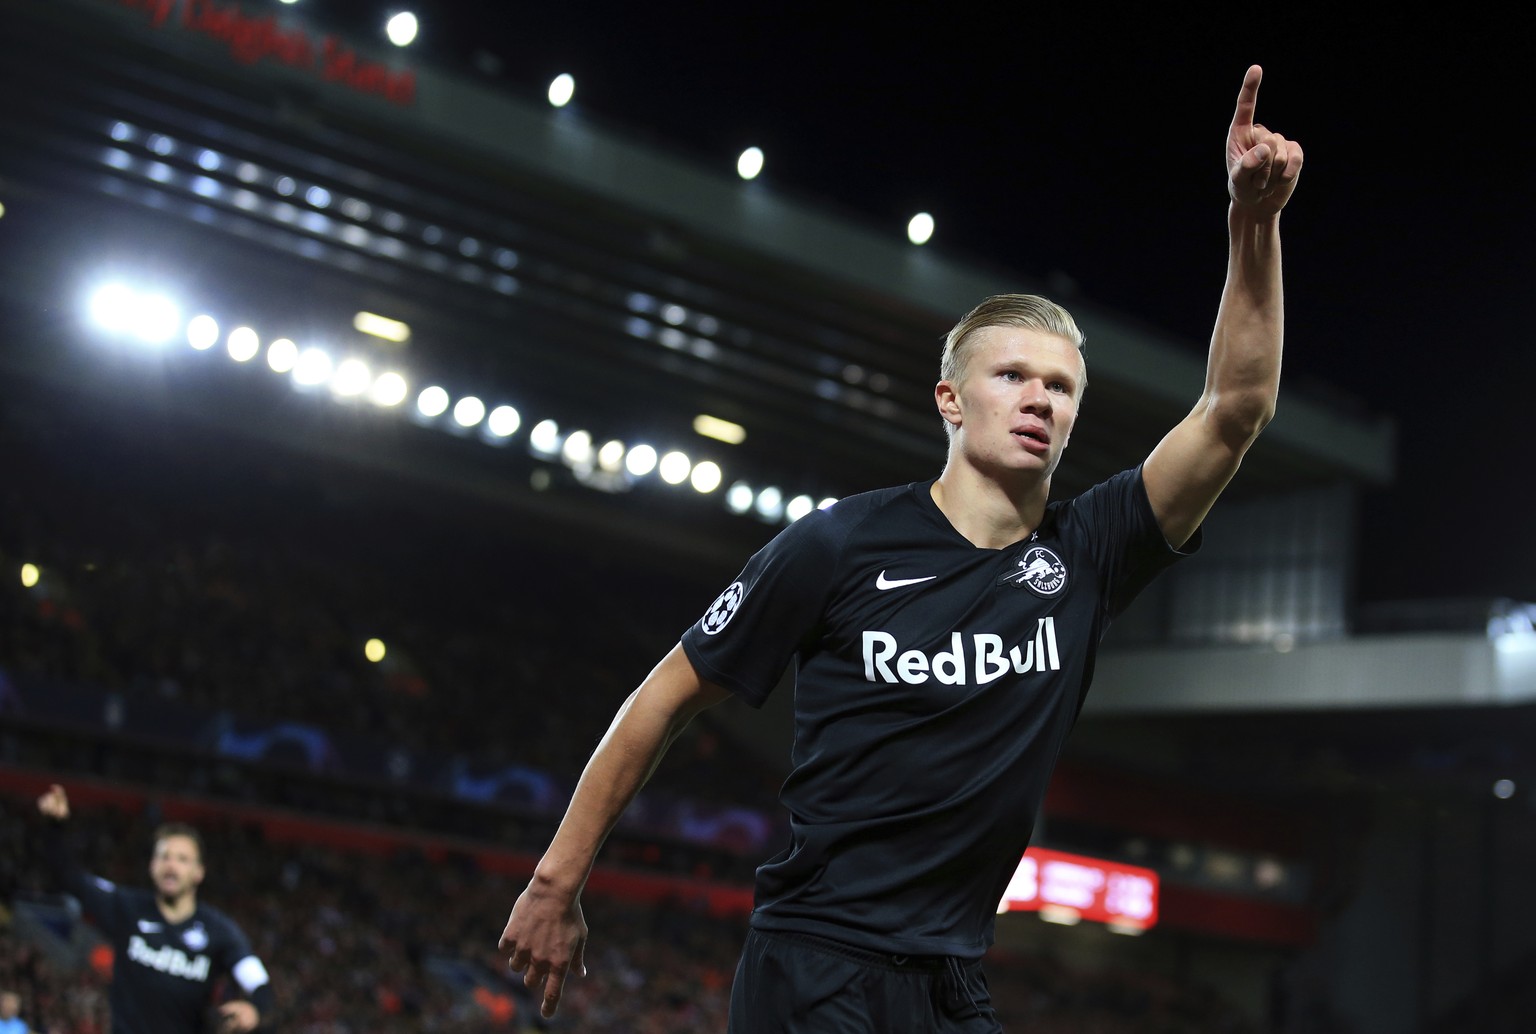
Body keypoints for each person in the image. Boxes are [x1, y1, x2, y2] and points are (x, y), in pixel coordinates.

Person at [498, 64, 1302, 1032]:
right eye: (1012, 374)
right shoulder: (840, 543)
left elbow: (1235, 409)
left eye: (1061, 385)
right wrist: (556, 879)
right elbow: (669, 691)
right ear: (951, 400)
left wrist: (1252, 225)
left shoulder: (1088, 553)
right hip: (816, 963)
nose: (1040, 397)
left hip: (952, 981)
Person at [35, 785, 274, 1033]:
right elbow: (68, 876)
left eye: (182, 859)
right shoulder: (126, 907)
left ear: (198, 872)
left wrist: (255, 1008)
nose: (171, 866)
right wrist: (55, 826)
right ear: (152, 865)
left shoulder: (219, 931)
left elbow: (259, 982)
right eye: (164, 857)